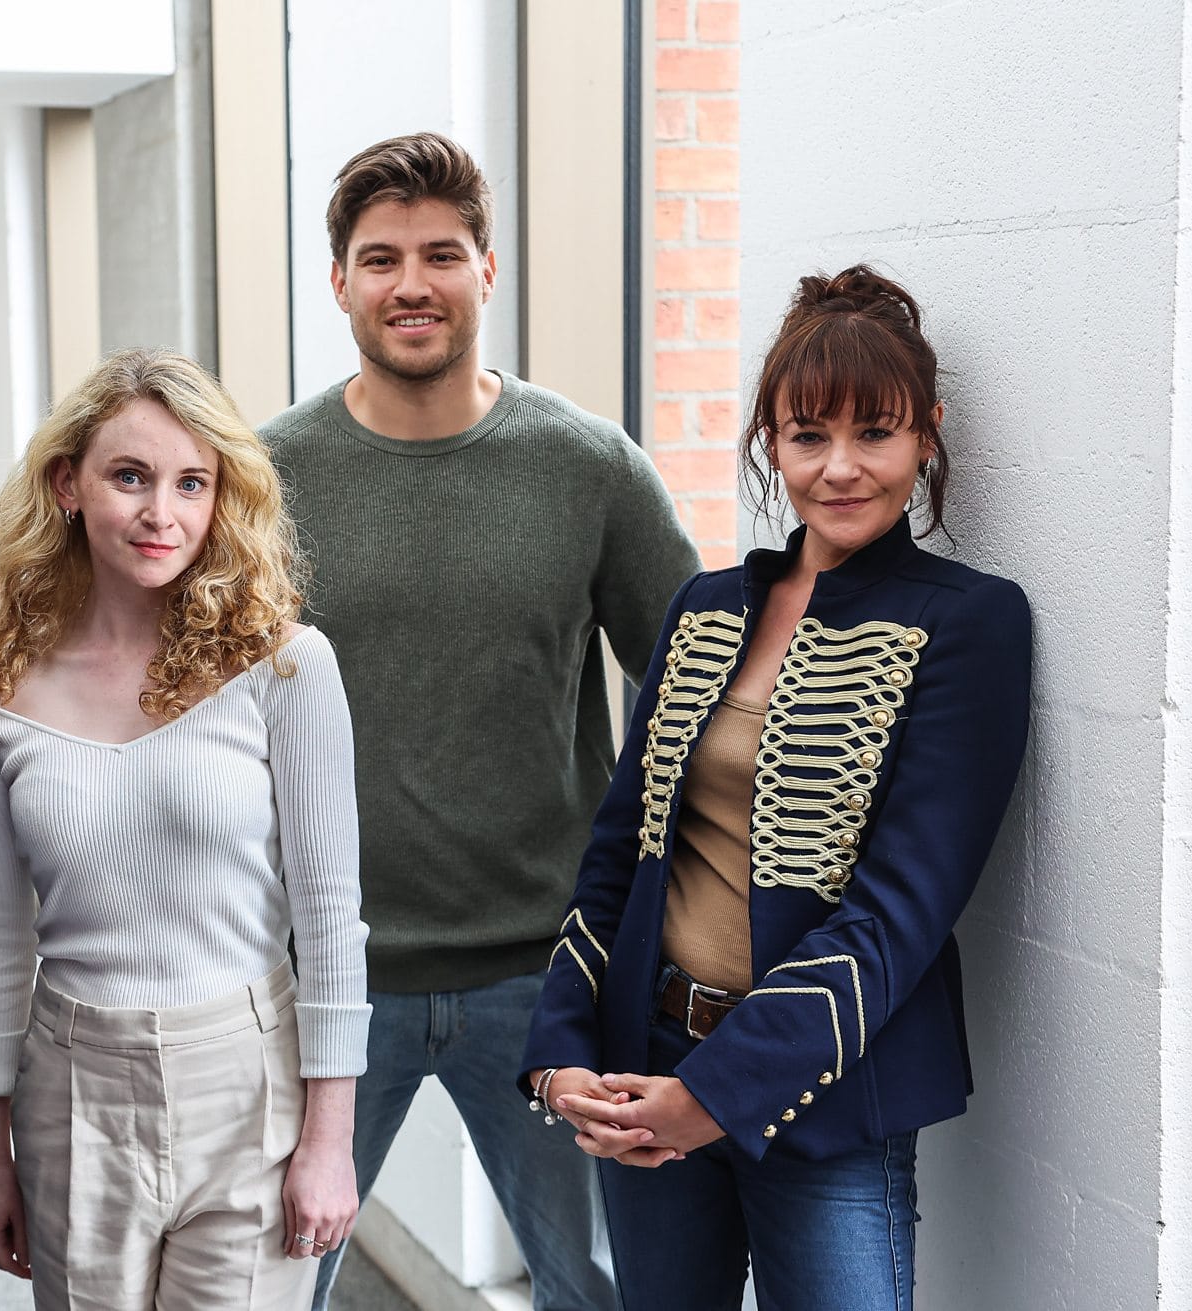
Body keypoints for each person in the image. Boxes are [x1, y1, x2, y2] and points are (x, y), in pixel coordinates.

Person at [522, 266, 1033, 1310]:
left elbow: (897, 915)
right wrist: (561, 1056)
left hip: (827, 1096)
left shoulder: (970, 623)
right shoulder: (704, 609)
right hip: (642, 1069)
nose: (839, 468)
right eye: (807, 436)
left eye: (875, 433)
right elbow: (620, 850)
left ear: (926, 434)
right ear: (769, 442)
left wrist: (710, 1097)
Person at [260, 131, 699, 1310]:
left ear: (486, 272)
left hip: (550, 978)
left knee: (591, 1286)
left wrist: (659, 913)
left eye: (441, 254)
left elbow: (700, 690)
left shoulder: (588, 467)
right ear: (340, 281)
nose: (413, 282)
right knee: (272, 1285)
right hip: (332, 983)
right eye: (381, 256)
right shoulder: (261, 479)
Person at [0, 347, 371, 1310]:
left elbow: (330, 912)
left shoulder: (287, 668)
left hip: (249, 1085)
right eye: (130, 476)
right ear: (68, 483)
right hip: (69, 1088)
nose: (161, 513)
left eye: (193, 482)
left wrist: (329, 1138)